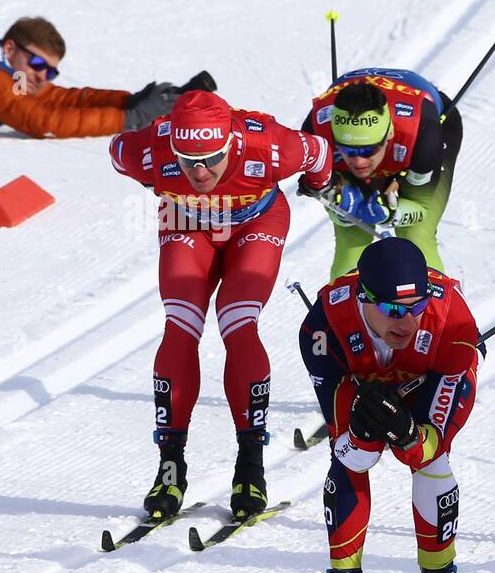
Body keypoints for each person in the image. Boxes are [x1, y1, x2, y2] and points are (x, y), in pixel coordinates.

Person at [109, 90, 332, 522]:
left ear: (230, 143)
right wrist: (154, 183)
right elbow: (118, 153)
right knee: (180, 326)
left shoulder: (268, 145)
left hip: (256, 221)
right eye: (188, 160)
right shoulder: (151, 150)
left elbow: (319, 151)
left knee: (238, 323)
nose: (201, 170)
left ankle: (250, 464)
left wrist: (318, 184)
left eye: (212, 158)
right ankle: (170, 466)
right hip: (186, 223)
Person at [298, 237, 480, 573]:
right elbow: (349, 453)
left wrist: (407, 432)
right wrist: (363, 431)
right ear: (365, 299)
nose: (407, 321)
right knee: (353, 460)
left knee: (428, 462)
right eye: (395, 311)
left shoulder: (451, 320)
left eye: (416, 307)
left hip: (430, 378)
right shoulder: (322, 326)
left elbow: (429, 445)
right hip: (355, 378)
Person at [303, 67, 462, 278]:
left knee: (415, 234)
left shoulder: (424, 136)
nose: (358, 161)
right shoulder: (314, 135)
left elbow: (420, 207)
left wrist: (392, 214)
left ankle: (439, 305)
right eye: (348, 150)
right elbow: (319, 189)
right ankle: (341, 307)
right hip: (386, 141)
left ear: (389, 134)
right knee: (351, 236)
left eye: (369, 150)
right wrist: (338, 206)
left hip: (429, 128)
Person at [0, 16, 212, 137]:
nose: (43, 76)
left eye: (51, 71)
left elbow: (58, 99)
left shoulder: (9, 70)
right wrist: (131, 118)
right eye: (37, 64)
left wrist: (128, 101)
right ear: (10, 48)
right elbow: (41, 121)